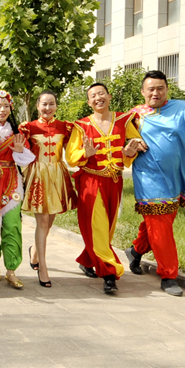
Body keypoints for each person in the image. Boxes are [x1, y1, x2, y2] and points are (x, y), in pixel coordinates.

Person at [125, 70, 185, 296]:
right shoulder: (134, 115)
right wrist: (131, 146)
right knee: (160, 225)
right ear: (142, 92)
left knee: (160, 222)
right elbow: (124, 144)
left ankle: (136, 251)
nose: (155, 92)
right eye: (150, 89)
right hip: (148, 177)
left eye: (160, 88)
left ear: (167, 89)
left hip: (175, 177)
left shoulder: (182, 107)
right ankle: (168, 275)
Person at [65, 83, 145, 294]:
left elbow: (135, 144)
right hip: (91, 182)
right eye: (93, 96)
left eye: (101, 93)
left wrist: (129, 151)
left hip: (115, 182)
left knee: (106, 229)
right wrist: (86, 154)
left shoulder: (123, 120)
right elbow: (71, 157)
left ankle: (87, 260)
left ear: (109, 96)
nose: (98, 98)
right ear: (89, 102)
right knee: (98, 227)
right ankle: (109, 273)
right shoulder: (81, 126)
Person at [19, 91, 77, 287]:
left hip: (58, 174)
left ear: (56, 106)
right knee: (42, 222)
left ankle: (34, 252)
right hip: (39, 175)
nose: (48, 108)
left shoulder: (65, 127)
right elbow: (22, 153)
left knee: (50, 221)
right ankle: (43, 268)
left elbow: (72, 152)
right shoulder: (29, 127)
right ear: (37, 106)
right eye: (44, 104)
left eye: (51, 104)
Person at [0, 91, 35, 289]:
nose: (2, 109)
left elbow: (27, 159)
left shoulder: (18, 135)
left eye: (6, 106)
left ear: (10, 108)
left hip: (12, 180)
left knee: (12, 224)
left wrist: (21, 151)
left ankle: (11, 269)